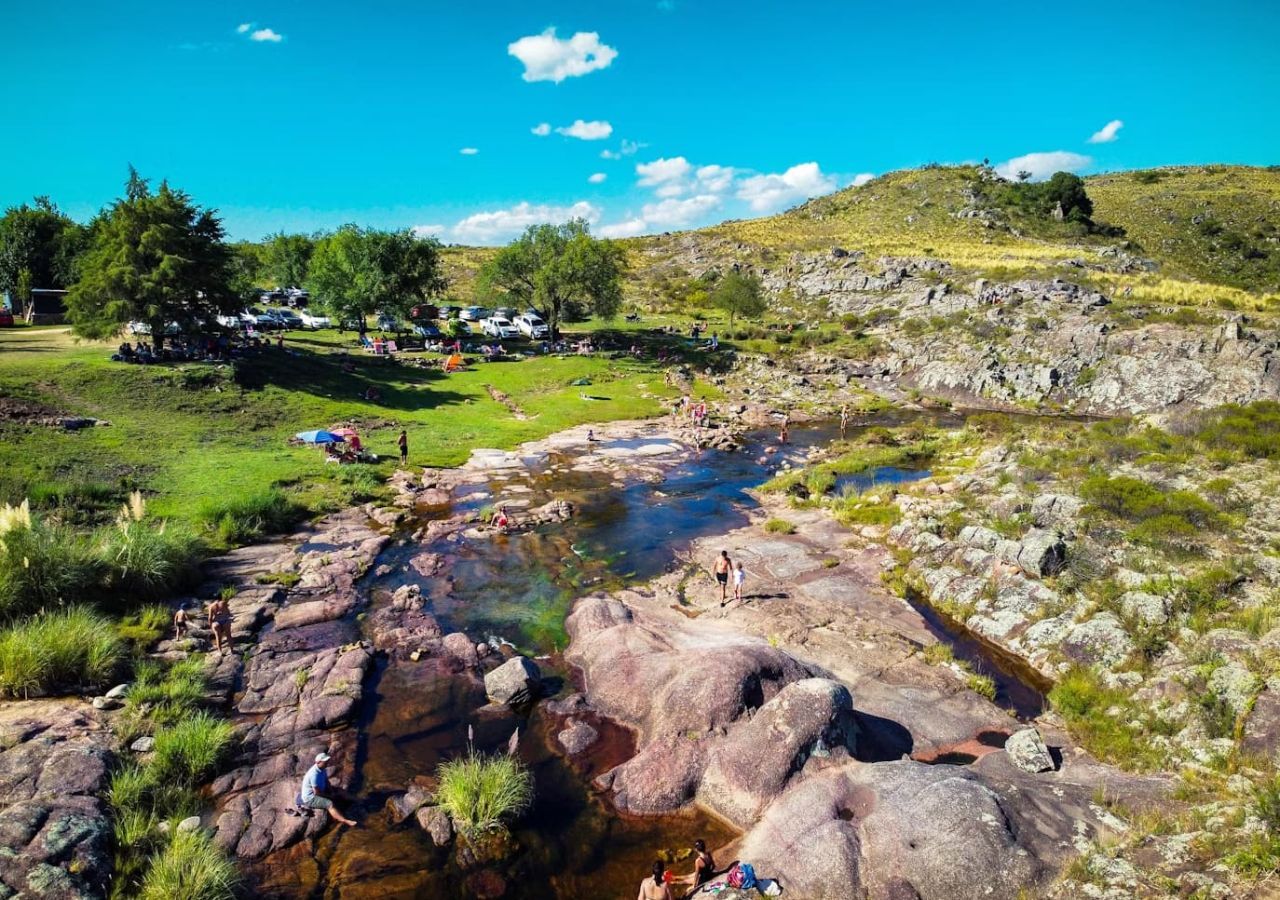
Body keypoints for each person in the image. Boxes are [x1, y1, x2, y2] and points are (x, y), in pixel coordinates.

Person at [296, 752, 357, 827]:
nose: (327, 763)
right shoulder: (314, 774)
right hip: (310, 798)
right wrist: (330, 796)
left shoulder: (322, 768)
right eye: (325, 761)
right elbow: (317, 793)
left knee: (340, 790)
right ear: (318, 762)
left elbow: (326, 781)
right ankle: (345, 821)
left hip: (321, 790)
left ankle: (356, 800)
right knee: (330, 804)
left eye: (327, 761)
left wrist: (331, 790)